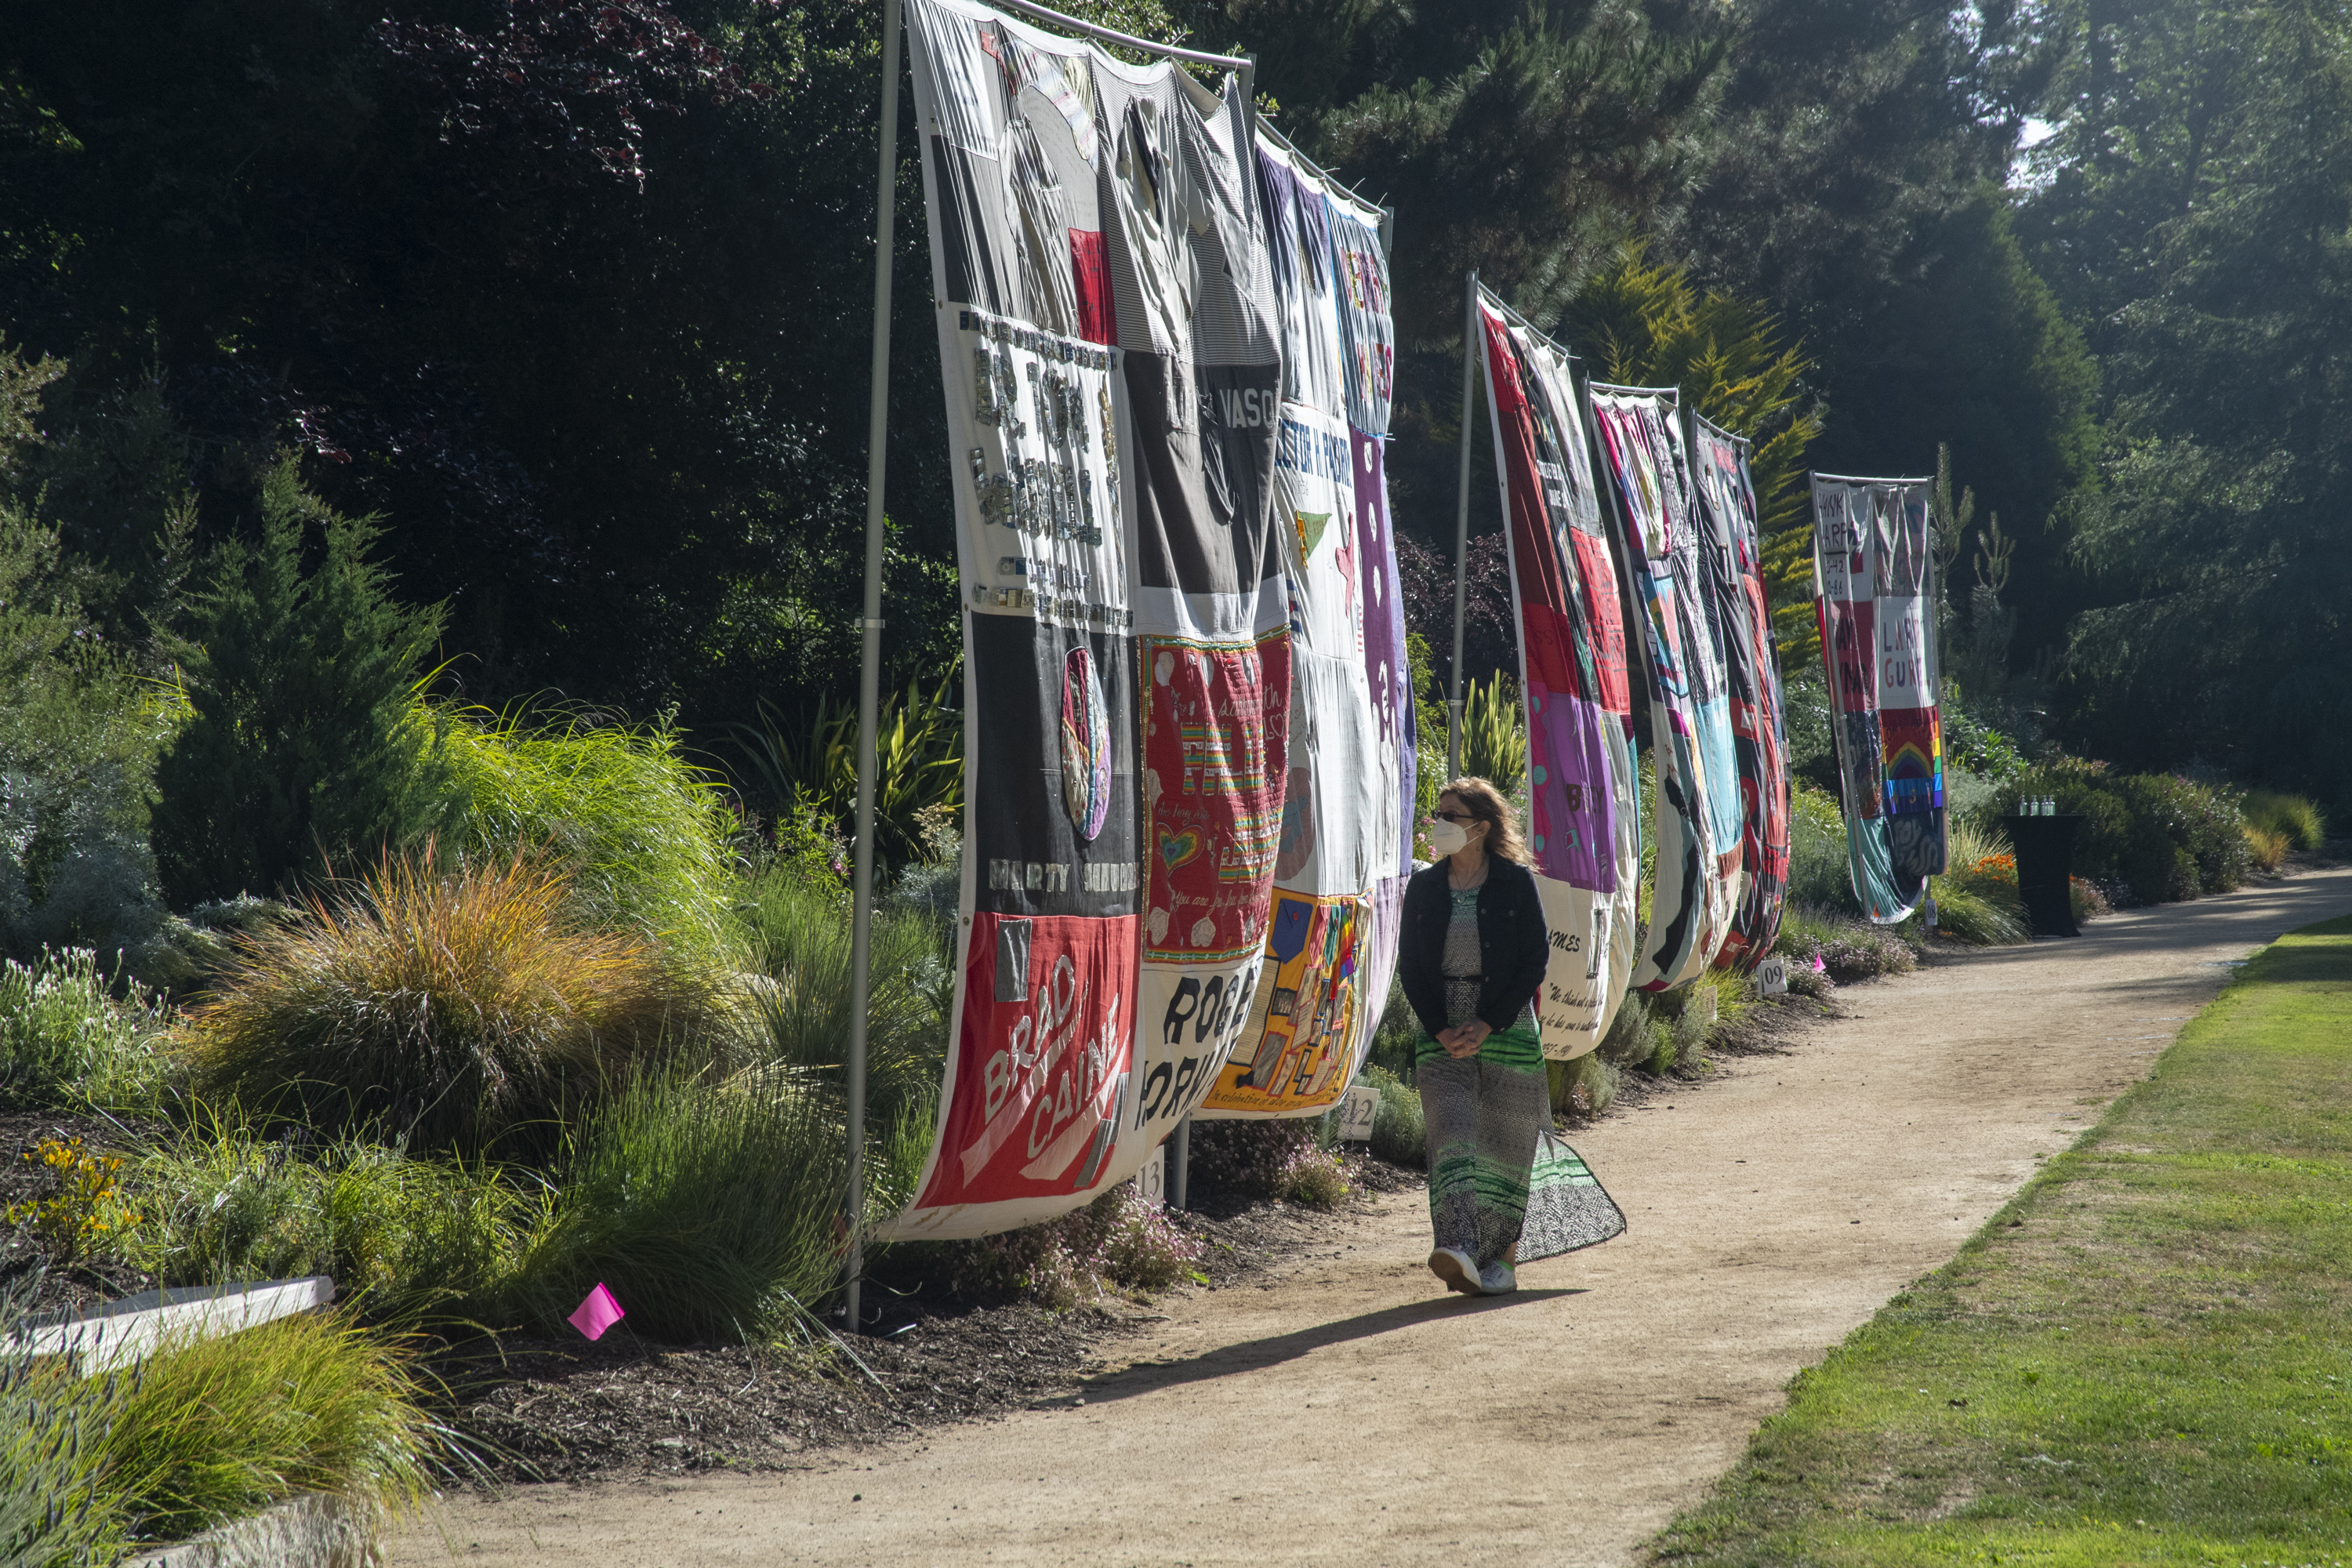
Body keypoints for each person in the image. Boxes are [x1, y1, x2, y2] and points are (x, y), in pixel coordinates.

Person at [1397, 777, 1551, 1296]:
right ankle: (1458, 1247)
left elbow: (1535, 960)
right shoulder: (1422, 887)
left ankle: (1501, 1264)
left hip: (1505, 1026)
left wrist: (1489, 1022)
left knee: (1506, 1147)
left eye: (1450, 816)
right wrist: (1441, 1028)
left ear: (1481, 828)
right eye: (1436, 814)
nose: (1437, 825)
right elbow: (1411, 969)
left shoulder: (1516, 883)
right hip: (1441, 1029)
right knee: (1453, 1138)